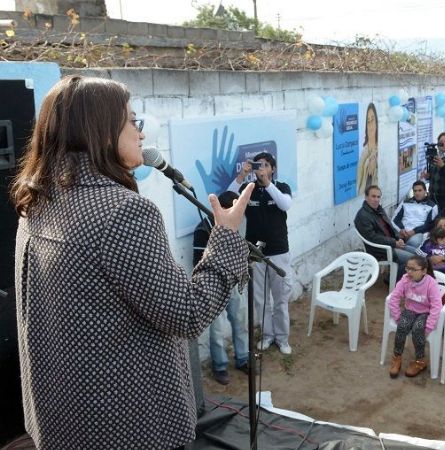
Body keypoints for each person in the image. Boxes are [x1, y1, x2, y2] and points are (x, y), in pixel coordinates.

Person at [11, 76, 255, 449]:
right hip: (127, 425)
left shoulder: (38, 199)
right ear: (101, 129)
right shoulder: (122, 212)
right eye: (131, 120)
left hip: (62, 415)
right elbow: (186, 314)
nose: (140, 133)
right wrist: (225, 239)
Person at [237, 151, 295, 354]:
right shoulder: (247, 188)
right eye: (257, 165)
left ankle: (282, 338)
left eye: (265, 165)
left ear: (273, 169)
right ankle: (268, 335)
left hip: (279, 250)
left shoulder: (281, 187)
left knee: (280, 299)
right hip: (255, 252)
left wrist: (267, 183)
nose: (260, 169)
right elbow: (228, 200)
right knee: (260, 299)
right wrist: (242, 176)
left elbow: (285, 204)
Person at [194, 191, 251, 385]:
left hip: (234, 283)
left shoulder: (238, 225)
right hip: (214, 285)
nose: (239, 214)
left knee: (240, 321)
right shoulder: (203, 229)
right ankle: (220, 366)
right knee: (216, 330)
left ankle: (243, 359)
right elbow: (198, 262)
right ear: (225, 209)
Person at [387, 256, 444, 378]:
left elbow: (436, 306)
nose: (409, 272)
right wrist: (397, 316)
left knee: (418, 329)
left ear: (423, 271)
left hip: (425, 313)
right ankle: (397, 357)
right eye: (408, 268)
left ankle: (420, 361)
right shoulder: (405, 280)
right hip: (410, 310)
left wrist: (429, 326)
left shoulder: (431, 283)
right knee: (402, 326)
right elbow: (394, 297)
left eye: (413, 269)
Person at [355, 185, 415, 276]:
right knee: (415, 261)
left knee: (417, 253)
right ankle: (396, 281)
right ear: (366, 197)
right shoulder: (363, 216)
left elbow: (390, 226)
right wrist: (394, 243)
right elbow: (373, 238)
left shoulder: (378, 209)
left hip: (391, 244)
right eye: (373, 196)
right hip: (380, 249)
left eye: (378, 197)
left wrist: (398, 238)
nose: (376, 199)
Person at [392, 180, 438, 252]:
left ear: (425, 191)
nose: (417, 193)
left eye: (420, 190)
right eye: (415, 191)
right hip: (402, 231)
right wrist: (401, 229)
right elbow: (395, 219)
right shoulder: (405, 202)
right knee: (392, 241)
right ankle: (419, 256)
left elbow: (429, 225)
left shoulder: (432, 206)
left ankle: (416, 257)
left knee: (413, 243)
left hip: (419, 233)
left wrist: (414, 231)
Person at [357, 102, 379, 195]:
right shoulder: (364, 153)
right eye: (368, 121)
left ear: (376, 122)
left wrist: (374, 158)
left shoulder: (377, 149)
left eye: (372, 120)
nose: (370, 125)